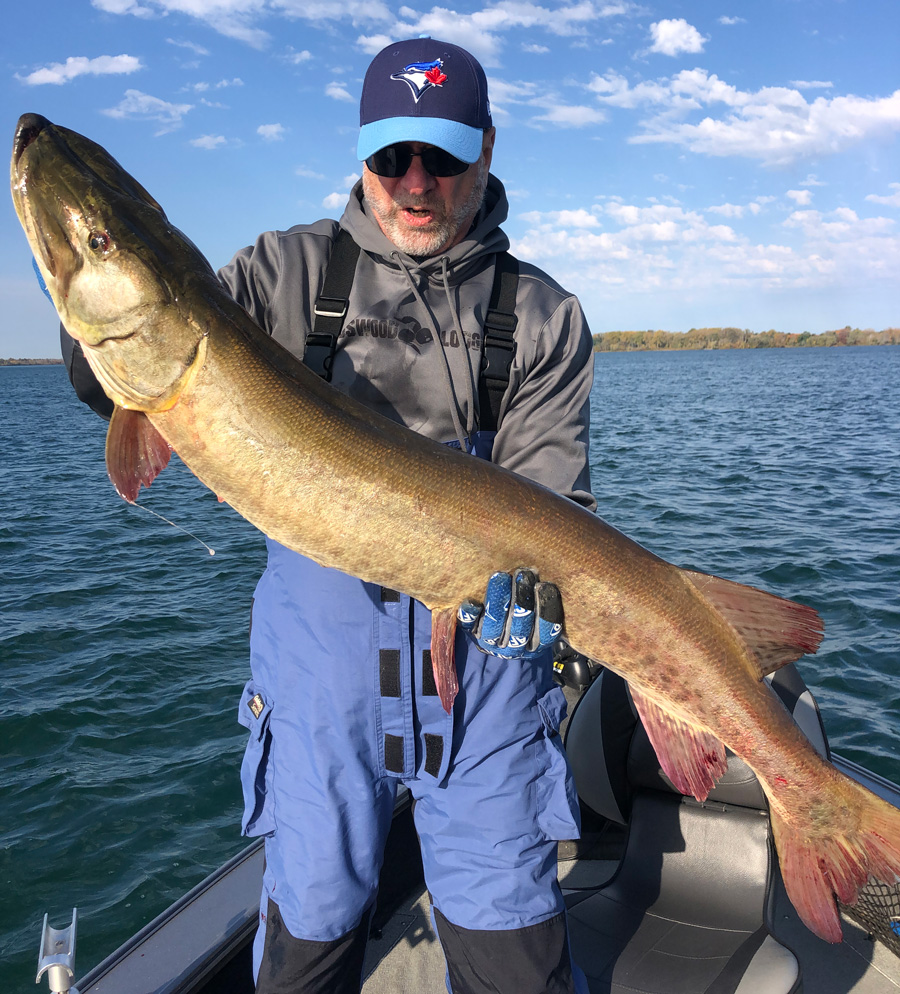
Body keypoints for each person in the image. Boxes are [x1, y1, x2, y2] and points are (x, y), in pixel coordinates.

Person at [62, 37, 596, 994]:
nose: (417, 184)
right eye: (393, 156)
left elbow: (553, 506)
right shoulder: (281, 273)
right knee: (304, 952)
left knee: (518, 964)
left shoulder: (542, 317)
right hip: (320, 700)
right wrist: (90, 331)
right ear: (362, 153)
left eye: (443, 157)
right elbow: (138, 364)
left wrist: (537, 599)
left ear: (486, 149)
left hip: (486, 699)